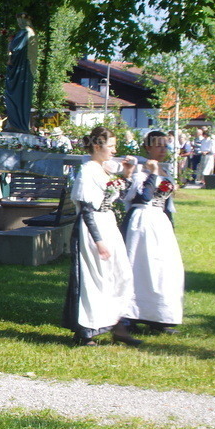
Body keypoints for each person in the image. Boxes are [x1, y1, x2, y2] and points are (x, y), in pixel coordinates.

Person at [62, 126, 138, 347]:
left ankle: (118, 326)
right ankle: (86, 330)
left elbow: (118, 195)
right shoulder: (87, 171)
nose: (114, 151)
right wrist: (99, 240)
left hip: (107, 223)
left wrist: (127, 175)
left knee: (119, 274)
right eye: (111, 146)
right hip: (91, 227)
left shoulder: (104, 169)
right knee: (93, 277)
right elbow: (86, 208)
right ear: (98, 146)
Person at [123, 131, 184, 335]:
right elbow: (145, 196)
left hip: (160, 223)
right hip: (142, 222)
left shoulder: (165, 171)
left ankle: (158, 316)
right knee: (140, 266)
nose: (162, 150)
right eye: (158, 145)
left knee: (162, 269)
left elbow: (167, 203)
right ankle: (130, 315)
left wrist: (170, 226)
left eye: (165, 146)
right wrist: (153, 173)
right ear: (147, 147)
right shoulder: (141, 171)